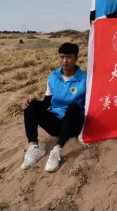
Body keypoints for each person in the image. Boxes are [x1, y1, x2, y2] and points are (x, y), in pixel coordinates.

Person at [21, 43, 87, 173]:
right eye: (62, 57)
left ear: (76, 58)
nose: (65, 61)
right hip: (56, 125)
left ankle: (57, 150)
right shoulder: (53, 77)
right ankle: (34, 147)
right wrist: (31, 104)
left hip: (73, 124)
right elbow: (47, 102)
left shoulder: (85, 79)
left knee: (74, 106)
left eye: (69, 57)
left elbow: (90, 104)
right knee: (31, 105)